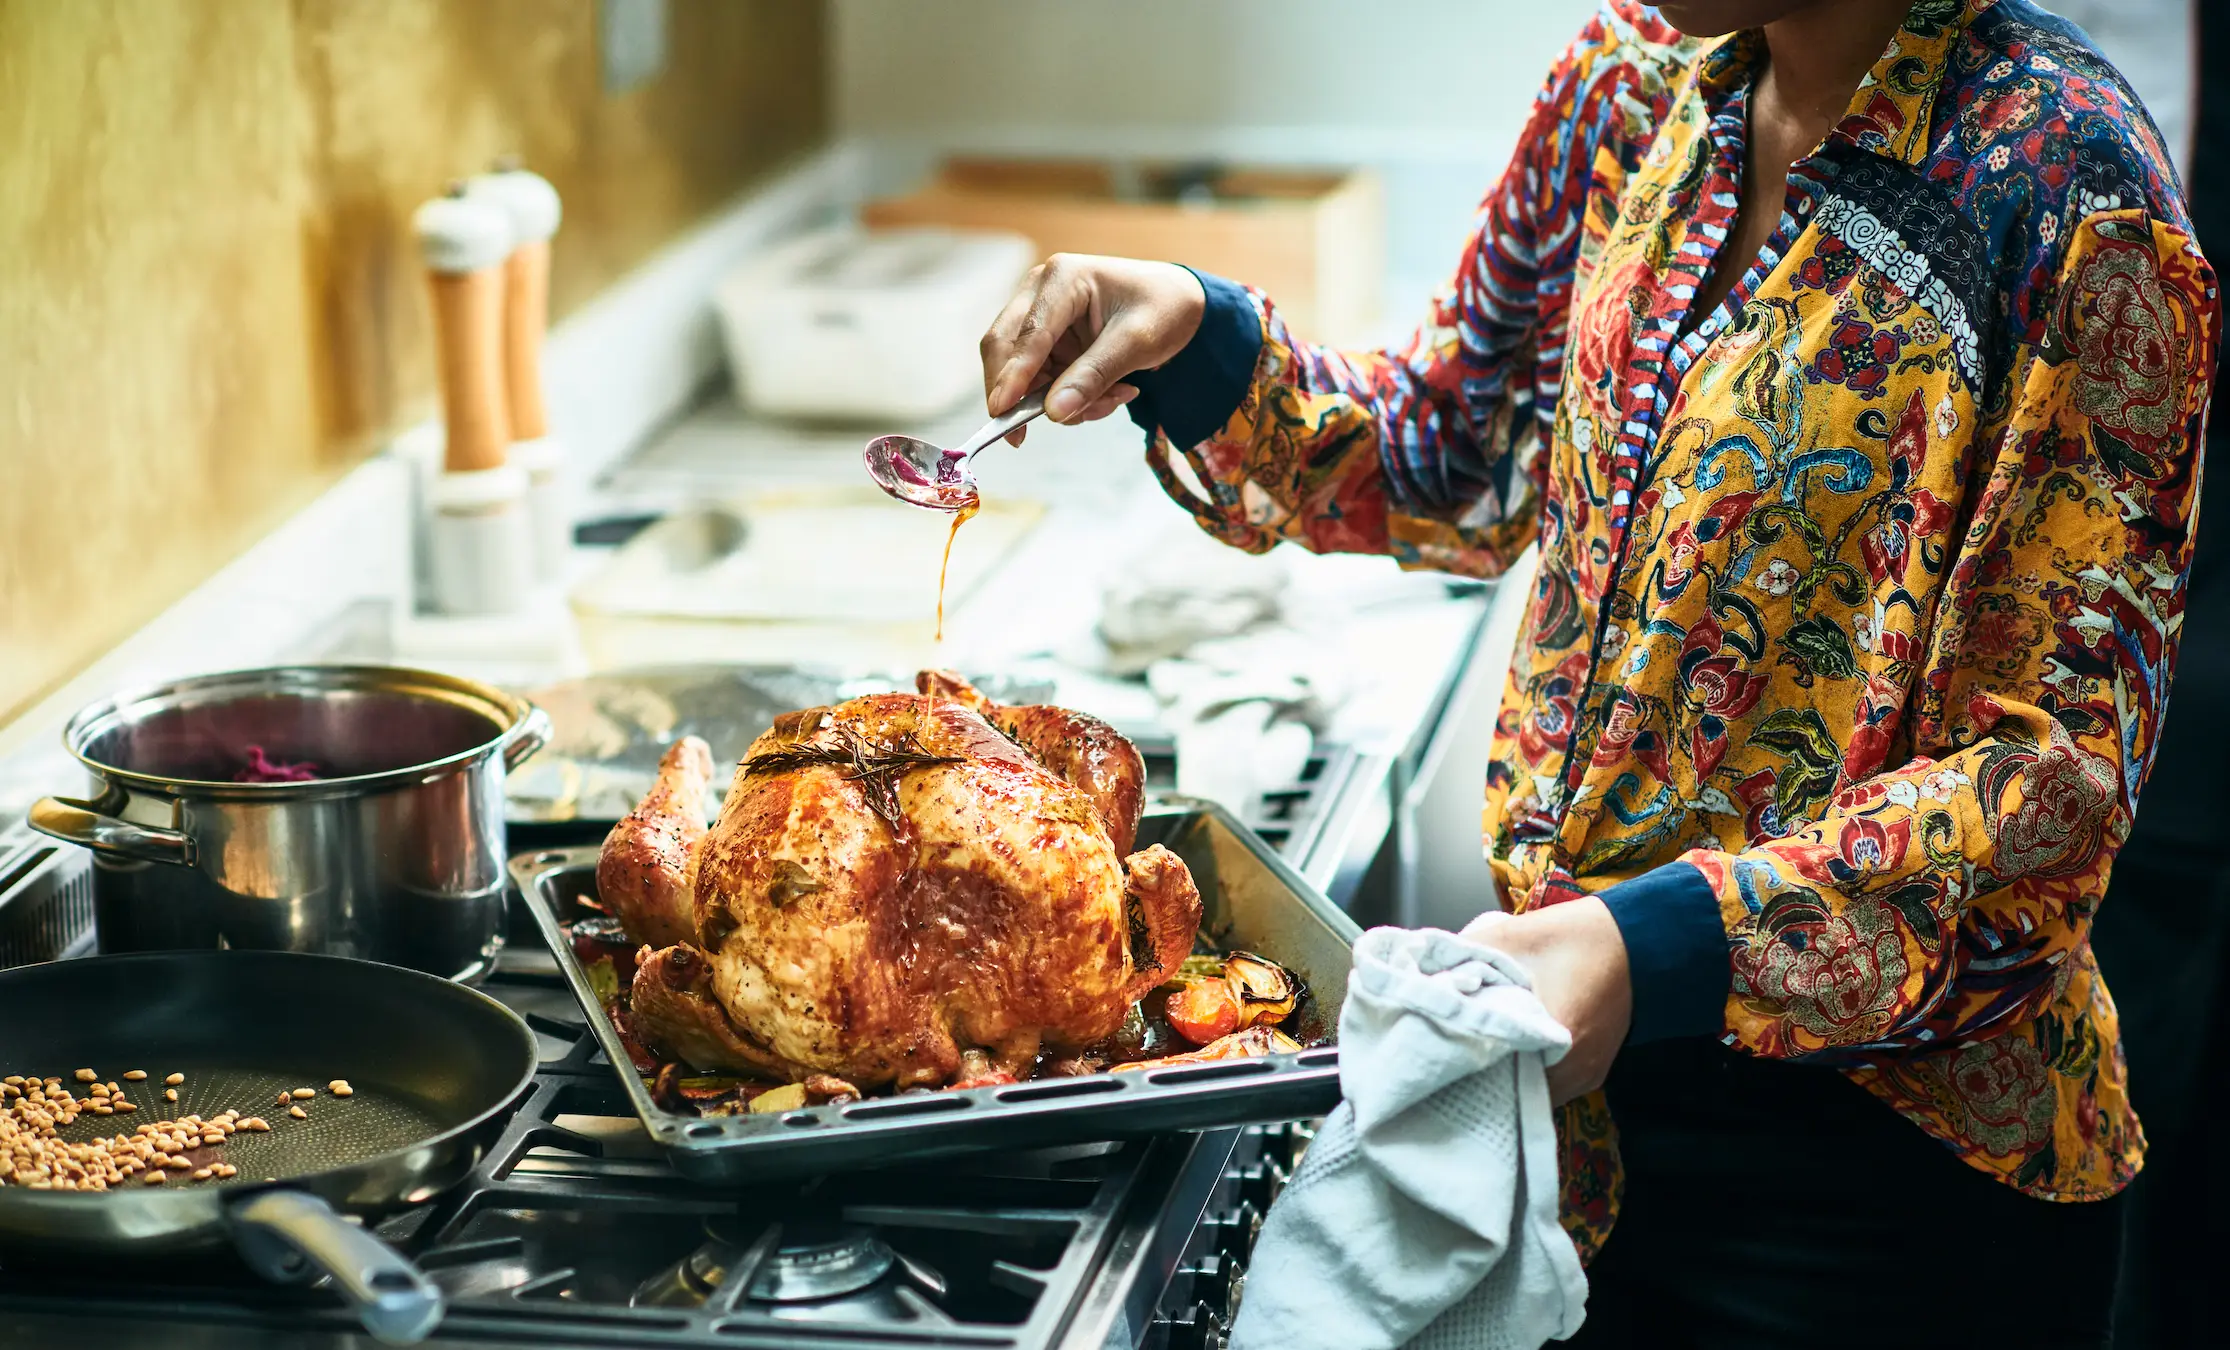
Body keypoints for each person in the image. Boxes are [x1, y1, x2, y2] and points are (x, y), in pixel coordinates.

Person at [977, 0, 2216, 1342]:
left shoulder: (2072, 192)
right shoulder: (1633, 76)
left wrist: (1653, 947)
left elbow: (2048, 792)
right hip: (1573, 1137)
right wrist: (1198, 337)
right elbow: (1461, 448)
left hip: (1872, 1199)